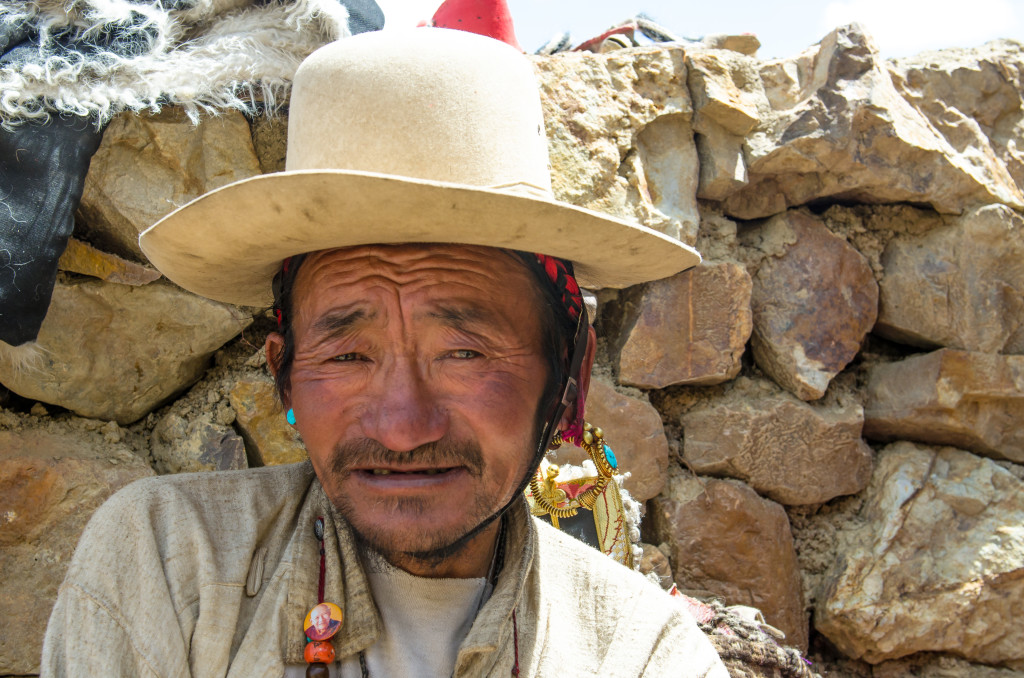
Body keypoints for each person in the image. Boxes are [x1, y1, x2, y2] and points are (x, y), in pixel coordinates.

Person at [40, 25, 728, 678]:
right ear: (283, 376)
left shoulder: (638, 651)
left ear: (569, 380)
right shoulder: (166, 561)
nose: (402, 426)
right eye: (347, 357)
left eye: (463, 353)